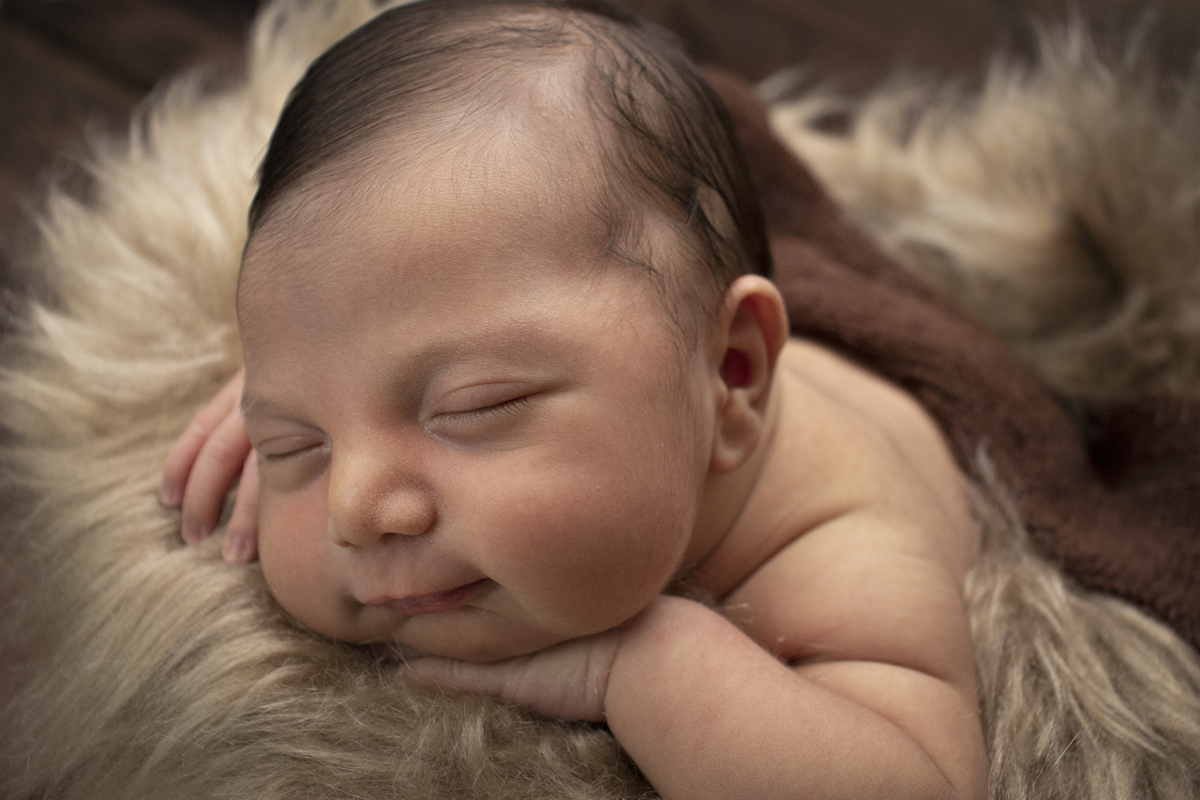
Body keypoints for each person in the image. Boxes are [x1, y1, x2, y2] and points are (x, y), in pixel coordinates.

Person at [160, 1, 989, 796]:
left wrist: (641, 666)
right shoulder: (422, 388)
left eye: (471, 408)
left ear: (731, 377)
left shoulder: (841, 543)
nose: (355, 506)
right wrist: (320, 373)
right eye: (295, 447)